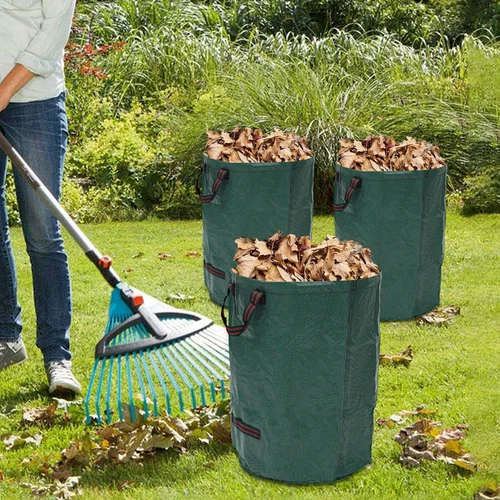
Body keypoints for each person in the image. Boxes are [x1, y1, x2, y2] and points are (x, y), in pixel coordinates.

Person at [0, 0, 81, 397]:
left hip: (36, 106)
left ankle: (57, 355)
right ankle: (6, 339)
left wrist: (1, 93)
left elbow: (52, 34)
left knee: (43, 233)